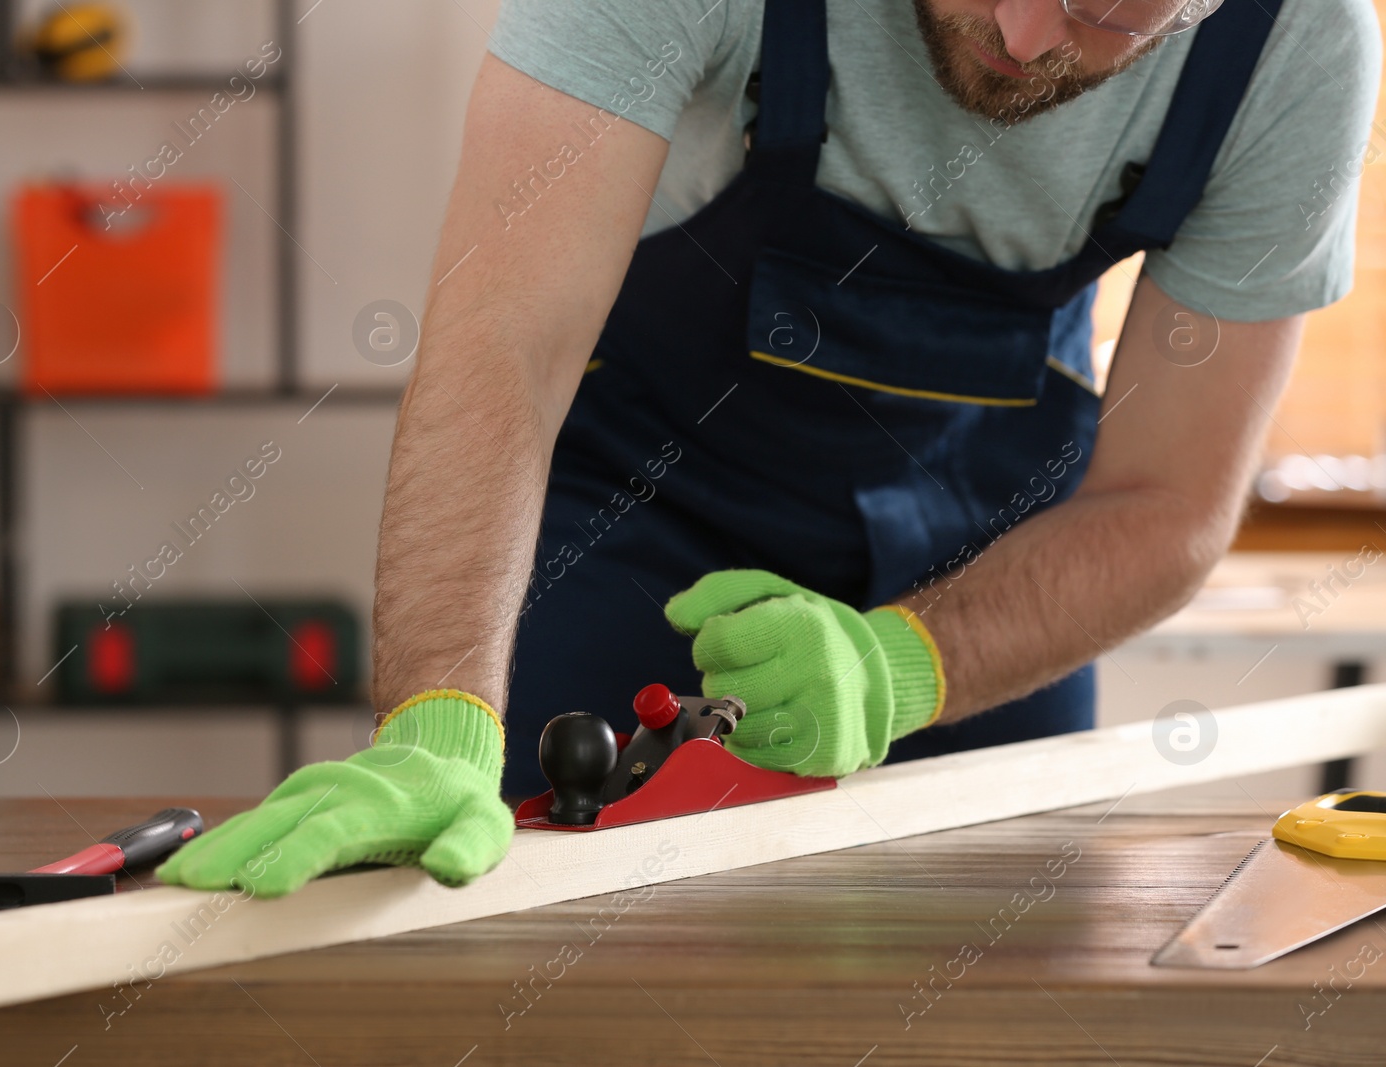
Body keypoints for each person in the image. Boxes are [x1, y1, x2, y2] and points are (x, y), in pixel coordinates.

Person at [160, 0, 1380, 896]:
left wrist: (907, 665)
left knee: (1001, 985)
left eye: (1108, 14)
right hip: (627, 525)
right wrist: (435, 718)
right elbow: (504, 343)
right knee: (531, 955)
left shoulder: (1297, 47)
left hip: (988, 564)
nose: (1019, 36)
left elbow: (1169, 496)